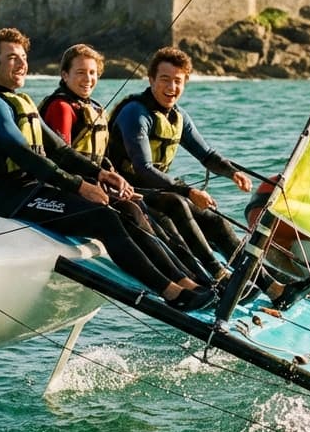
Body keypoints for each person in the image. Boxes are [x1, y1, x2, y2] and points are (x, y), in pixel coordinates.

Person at [0, 28, 213, 311]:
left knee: (127, 209)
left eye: (23, 57)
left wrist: (101, 175)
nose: (21, 64)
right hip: (16, 199)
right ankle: (170, 292)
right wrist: (79, 186)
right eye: (11, 58)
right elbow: (27, 157)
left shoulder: (21, 102)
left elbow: (60, 151)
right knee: (102, 218)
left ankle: (186, 282)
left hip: (39, 190)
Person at [39, 44, 209, 287]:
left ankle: (189, 277)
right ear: (64, 75)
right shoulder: (61, 108)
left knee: (143, 208)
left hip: (94, 184)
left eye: (93, 73)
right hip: (70, 190)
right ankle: (176, 282)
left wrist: (120, 182)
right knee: (132, 212)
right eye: (80, 73)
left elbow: (101, 158)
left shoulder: (93, 107)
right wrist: (91, 187)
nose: (88, 79)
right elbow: (62, 158)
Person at [107, 46, 252, 282]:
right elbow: (143, 169)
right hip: (128, 190)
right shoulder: (135, 113)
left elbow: (206, 155)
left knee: (215, 219)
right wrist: (189, 191)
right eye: (165, 80)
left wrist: (233, 173)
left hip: (159, 189)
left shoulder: (177, 116)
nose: (172, 88)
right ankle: (215, 275)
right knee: (176, 204)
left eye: (178, 81)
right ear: (151, 79)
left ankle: (264, 281)